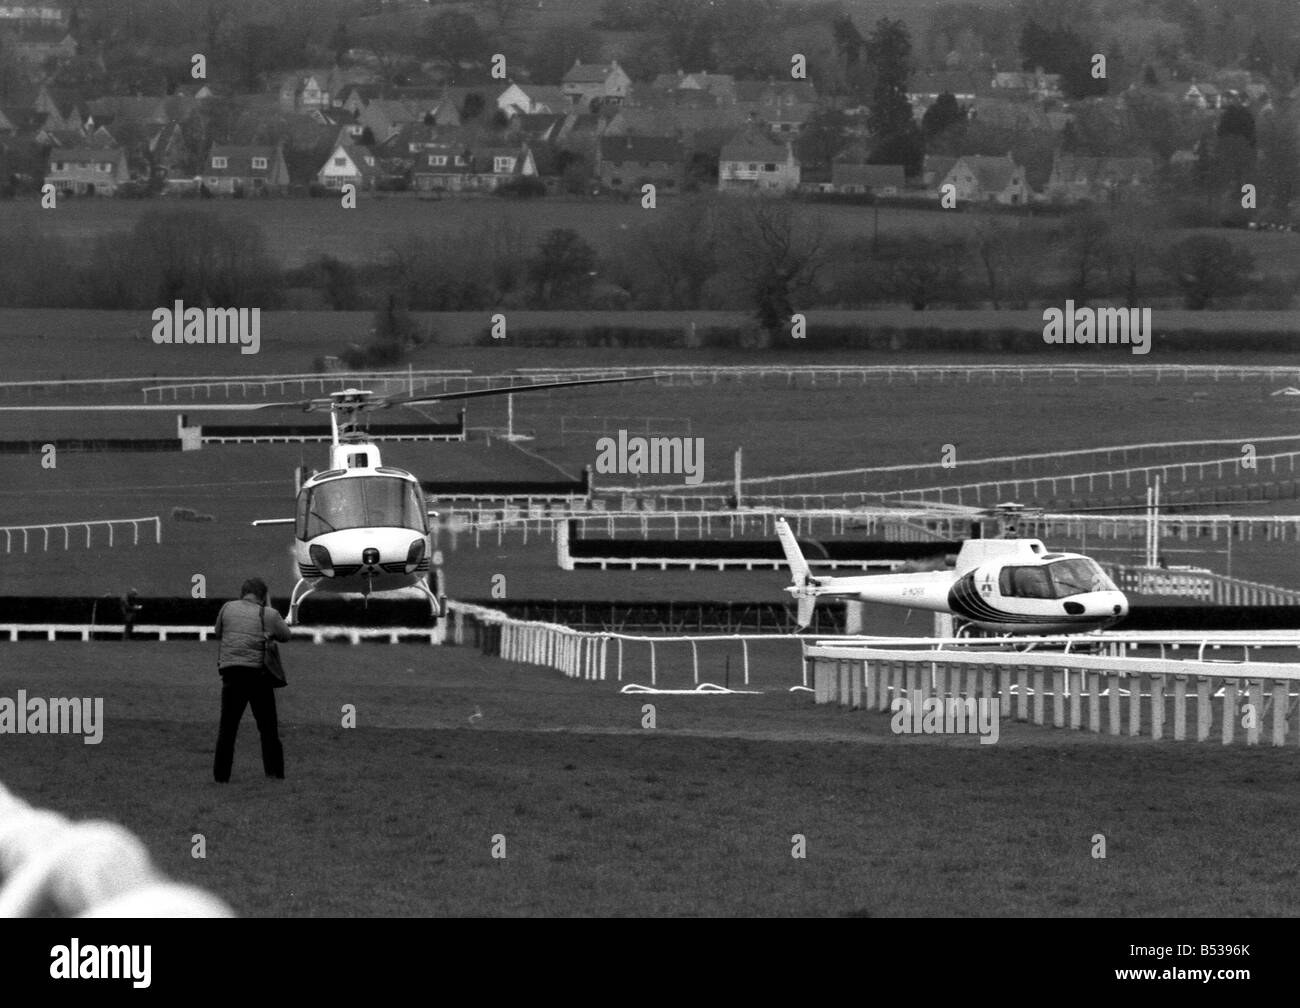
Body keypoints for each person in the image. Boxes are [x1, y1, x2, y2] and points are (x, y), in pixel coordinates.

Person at [212, 577, 291, 783]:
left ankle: (221, 777)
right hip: (258, 676)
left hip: (230, 674)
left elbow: (218, 631)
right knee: (268, 730)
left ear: (243, 592)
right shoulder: (269, 613)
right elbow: (285, 635)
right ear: (263, 595)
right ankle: (274, 774)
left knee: (227, 730)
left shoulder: (227, 608)